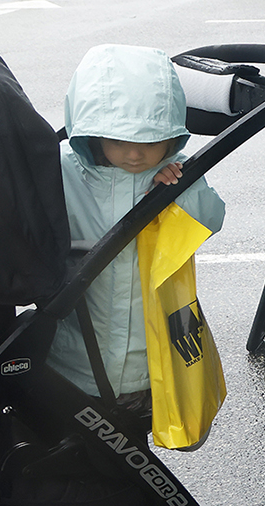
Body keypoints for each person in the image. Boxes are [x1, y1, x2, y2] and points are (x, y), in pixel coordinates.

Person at [45, 45, 227, 405]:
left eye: (151, 141)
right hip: (72, 361)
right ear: (90, 133)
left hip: (145, 365)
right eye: (118, 140)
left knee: (127, 450)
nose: (135, 154)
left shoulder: (174, 172)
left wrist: (179, 190)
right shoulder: (61, 170)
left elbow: (210, 219)